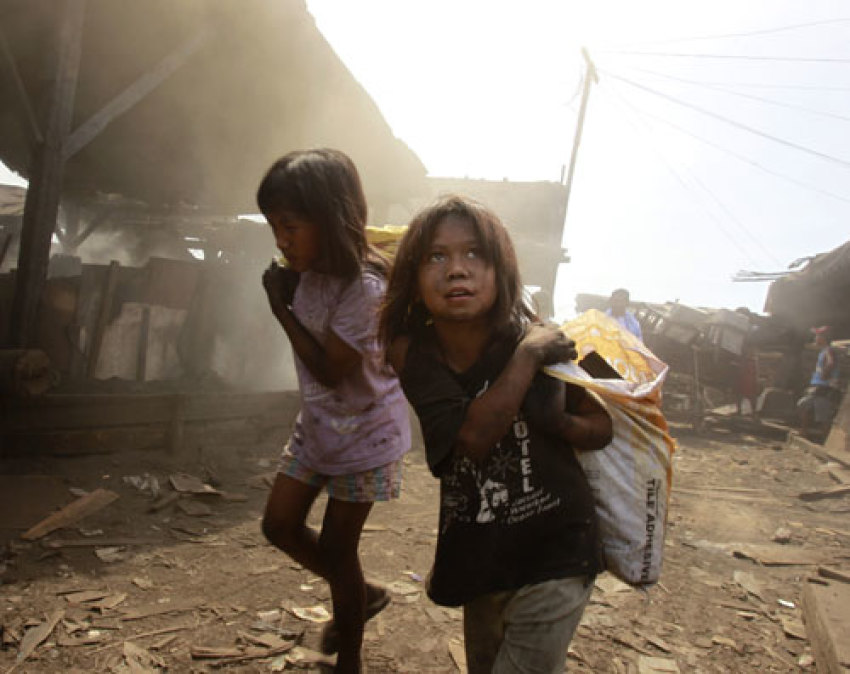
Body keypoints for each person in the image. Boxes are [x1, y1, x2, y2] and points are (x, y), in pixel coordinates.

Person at [379, 195, 612, 674]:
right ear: (414, 280)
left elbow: (604, 424)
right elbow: (471, 438)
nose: (456, 270)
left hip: (558, 548)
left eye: (474, 255)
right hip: (480, 557)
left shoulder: (544, 336)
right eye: (436, 257)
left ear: (500, 269)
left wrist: (560, 422)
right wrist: (525, 360)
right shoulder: (413, 355)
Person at [257, 149, 410, 674]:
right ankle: (360, 592)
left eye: (290, 225)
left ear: (329, 217)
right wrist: (290, 291)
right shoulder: (308, 271)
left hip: (366, 437)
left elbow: (330, 369)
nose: (280, 239)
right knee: (278, 525)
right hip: (319, 428)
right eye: (274, 226)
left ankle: (350, 660)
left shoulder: (365, 287)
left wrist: (281, 309)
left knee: (340, 551)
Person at [797, 325, 841, 439]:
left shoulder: (828, 350)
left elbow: (831, 363)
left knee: (821, 413)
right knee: (805, 406)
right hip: (820, 385)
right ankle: (804, 431)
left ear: (824, 337)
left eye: (817, 336)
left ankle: (824, 437)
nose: (815, 338)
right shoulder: (824, 351)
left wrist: (823, 376)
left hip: (824, 387)